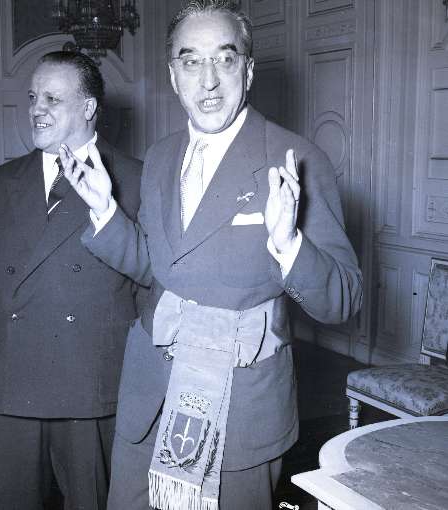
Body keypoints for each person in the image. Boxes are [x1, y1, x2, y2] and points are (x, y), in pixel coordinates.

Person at [61, 1, 363, 508]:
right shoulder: (160, 158)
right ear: (173, 75)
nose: (209, 81)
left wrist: (289, 245)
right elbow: (161, 268)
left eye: (225, 59)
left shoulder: (295, 159)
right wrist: (105, 212)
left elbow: (344, 300)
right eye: (191, 61)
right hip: (151, 396)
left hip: (239, 414)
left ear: (248, 70)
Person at [0, 51, 142, 509]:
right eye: (34, 97)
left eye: (53, 99)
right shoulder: (2, 181)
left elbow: (152, 281)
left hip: (92, 387)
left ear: (88, 108)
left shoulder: (135, 180)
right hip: (9, 384)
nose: (37, 109)